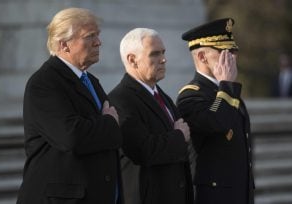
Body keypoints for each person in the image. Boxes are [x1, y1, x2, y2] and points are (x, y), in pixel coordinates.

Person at [17, 8, 123, 204]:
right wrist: (109, 122)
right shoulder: (44, 82)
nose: (98, 42)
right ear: (64, 45)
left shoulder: (90, 80)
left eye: (97, 35)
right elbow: (71, 136)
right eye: (90, 36)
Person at [109, 28, 194, 204]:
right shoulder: (120, 100)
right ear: (132, 60)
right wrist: (178, 137)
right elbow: (141, 150)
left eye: (163, 53)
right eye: (154, 54)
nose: (163, 59)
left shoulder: (163, 97)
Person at [176, 18, 255, 204]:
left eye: (233, 51)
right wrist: (226, 85)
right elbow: (217, 123)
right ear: (202, 57)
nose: (232, 57)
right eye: (224, 52)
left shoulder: (229, 91)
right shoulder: (191, 96)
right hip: (213, 197)